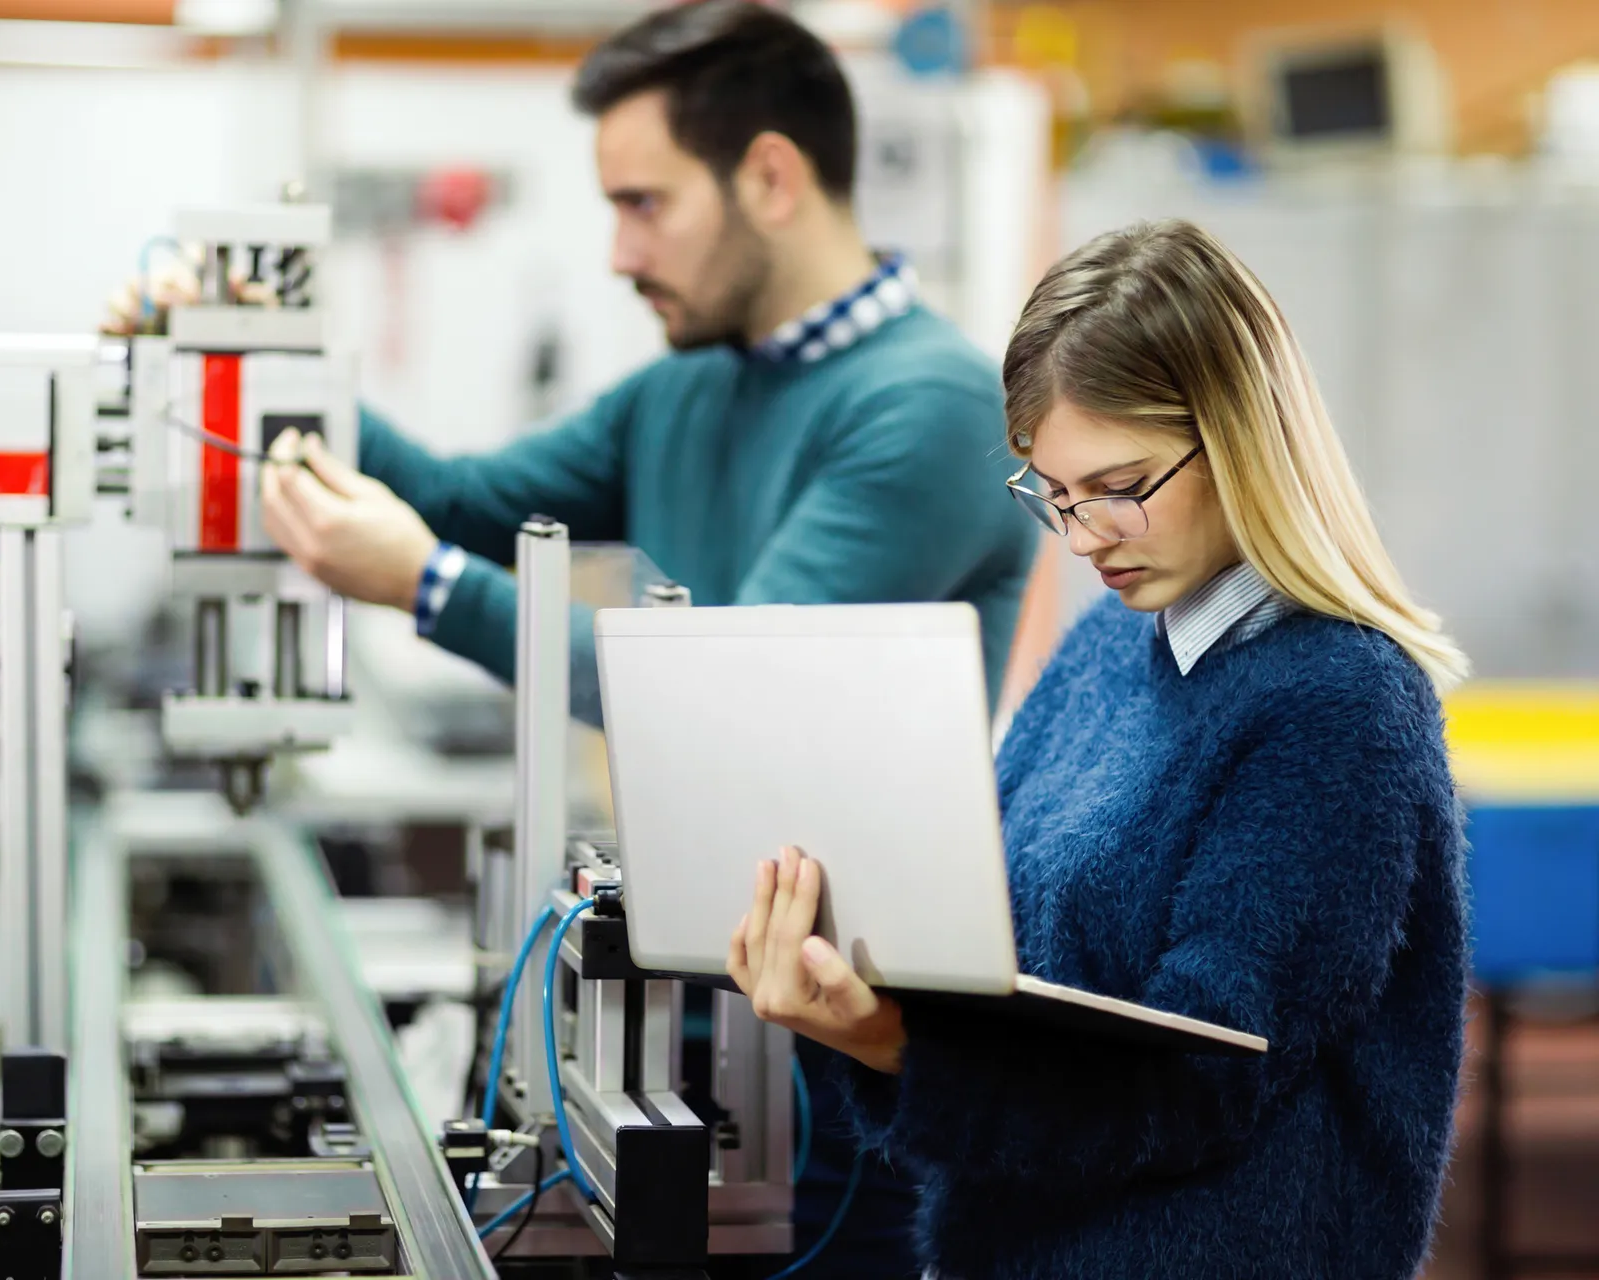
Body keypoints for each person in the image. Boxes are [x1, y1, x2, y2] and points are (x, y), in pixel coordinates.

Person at [254, 6, 1034, 1277]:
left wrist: (429, 587)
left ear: (771, 177)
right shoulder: (688, 382)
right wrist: (258, 364)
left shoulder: (930, 407)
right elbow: (456, 499)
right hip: (700, 1010)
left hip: (851, 1050)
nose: (618, 250)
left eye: (643, 202)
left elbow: (730, 697)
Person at [727, 219, 1470, 1280]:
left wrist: (894, 1044)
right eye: (1055, 495)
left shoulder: (1340, 705)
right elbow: (995, 944)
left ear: (1242, 437)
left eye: (1122, 488)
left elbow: (1197, 1079)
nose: (1083, 539)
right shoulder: (1104, 649)